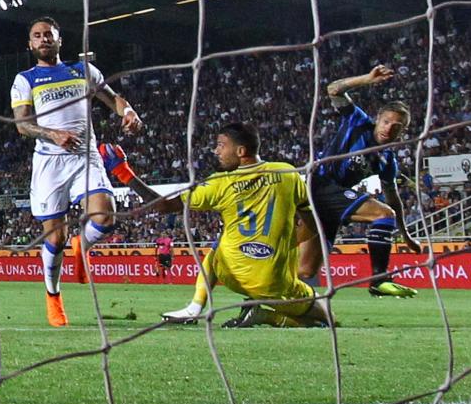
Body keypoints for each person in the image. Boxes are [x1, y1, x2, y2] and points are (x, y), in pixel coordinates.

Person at [100, 123, 332, 328]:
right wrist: (289, 243)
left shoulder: (219, 183)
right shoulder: (288, 173)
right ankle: (270, 316)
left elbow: (162, 206)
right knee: (326, 320)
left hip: (232, 274)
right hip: (276, 283)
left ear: (241, 151)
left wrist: (123, 173)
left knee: (218, 247)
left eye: (221, 145)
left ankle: (195, 306)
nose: (216, 151)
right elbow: (312, 224)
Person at [11, 16, 143, 327]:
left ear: (59, 40)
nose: (43, 39)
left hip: (85, 157)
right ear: (30, 44)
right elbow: (22, 124)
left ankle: (81, 245)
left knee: (105, 217)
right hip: (49, 163)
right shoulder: (25, 79)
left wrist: (128, 110)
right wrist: (53, 134)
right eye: (37, 35)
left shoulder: (83, 70)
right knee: (54, 239)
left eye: (48, 35)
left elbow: (112, 99)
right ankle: (53, 296)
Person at [297, 65, 421, 298]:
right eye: (386, 122)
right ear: (378, 120)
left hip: (333, 200)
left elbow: (394, 198)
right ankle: (378, 278)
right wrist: (367, 78)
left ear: (402, 132)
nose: (389, 128)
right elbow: (333, 89)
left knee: (305, 269)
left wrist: (405, 235)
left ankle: (262, 297)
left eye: (397, 126)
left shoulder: (387, 160)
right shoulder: (358, 122)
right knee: (383, 215)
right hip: (320, 184)